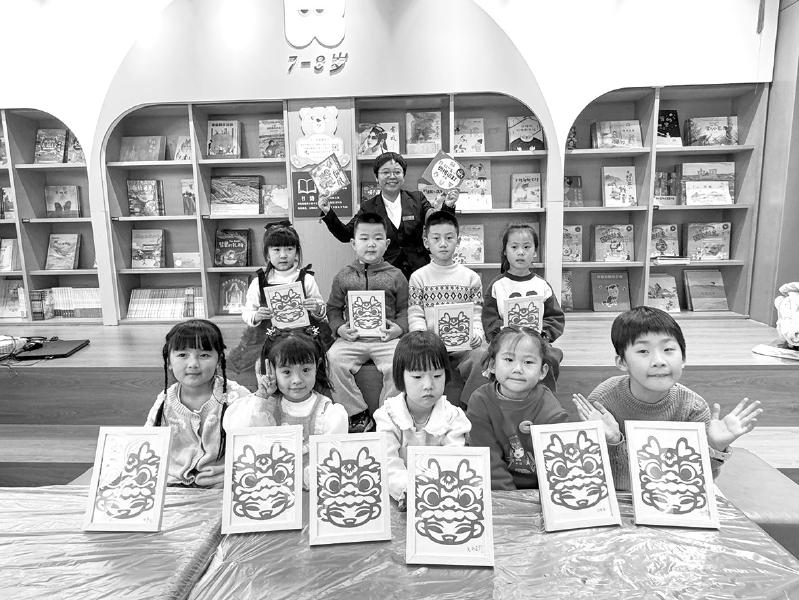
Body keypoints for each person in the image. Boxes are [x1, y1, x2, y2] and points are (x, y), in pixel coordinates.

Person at [572, 306, 763, 491]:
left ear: (684, 358)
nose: (659, 361)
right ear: (622, 362)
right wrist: (614, 441)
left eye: (669, 349)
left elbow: (696, 484)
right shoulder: (603, 401)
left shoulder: (693, 408)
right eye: (643, 351)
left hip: (673, 497)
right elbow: (594, 477)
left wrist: (714, 447)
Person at [224, 327, 347, 488]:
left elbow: (331, 461)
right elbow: (237, 430)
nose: (297, 380)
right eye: (286, 372)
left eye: (306, 370)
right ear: (271, 369)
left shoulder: (328, 413)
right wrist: (261, 396)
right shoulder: (264, 405)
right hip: (270, 489)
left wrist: (300, 480)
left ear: (317, 366)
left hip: (310, 490)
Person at [326, 211, 409, 433]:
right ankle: (356, 414)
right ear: (354, 243)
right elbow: (333, 309)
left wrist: (399, 329)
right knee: (332, 359)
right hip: (352, 339)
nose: (371, 244)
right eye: (364, 238)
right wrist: (340, 328)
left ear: (387, 244)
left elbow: (405, 308)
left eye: (377, 238)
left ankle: (388, 414)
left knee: (399, 362)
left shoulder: (396, 275)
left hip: (386, 339)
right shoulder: (343, 276)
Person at [317, 151, 458, 280]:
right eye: (385, 172)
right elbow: (345, 235)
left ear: (403, 176)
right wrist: (328, 212)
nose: (392, 176)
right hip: (383, 274)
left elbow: (438, 224)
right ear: (376, 177)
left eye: (397, 172)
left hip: (419, 272)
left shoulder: (417, 199)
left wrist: (447, 206)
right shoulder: (368, 207)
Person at [145, 319, 251, 488]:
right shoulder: (164, 401)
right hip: (173, 486)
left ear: (219, 360)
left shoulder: (237, 397)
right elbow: (148, 445)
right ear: (169, 362)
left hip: (225, 486)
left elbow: (255, 448)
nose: (193, 364)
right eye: (182, 355)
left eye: (204, 355)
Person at [373, 331, 471, 509]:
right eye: (417, 377)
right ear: (400, 377)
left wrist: (432, 493)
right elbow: (388, 464)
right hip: (399, 499)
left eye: (437, 376)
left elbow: (453, 461)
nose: (428, 385)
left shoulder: (453, 417)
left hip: (442, 499)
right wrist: (409, 491)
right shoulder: (388, 415)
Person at [466, 326, 570, 490]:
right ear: (492, 365)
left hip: (541, 489)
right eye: (509, 360)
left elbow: (560, 464)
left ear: (542, 371)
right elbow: (488, 461)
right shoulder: (480, 401)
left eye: (528, 362)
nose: (517, 369)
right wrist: (508, 497)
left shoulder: (549, 408)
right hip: (497, 489)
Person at [227, 220, 331, 374]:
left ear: (297, 252)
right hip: (268, 336)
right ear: (267, 254)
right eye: (276, 250)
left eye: (289, 249)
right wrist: (256, 316)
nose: (283, 255)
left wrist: (316, 308)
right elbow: (247, 312)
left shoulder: (307, 279)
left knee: (309, 362)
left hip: (303, 335)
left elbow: (321, 311)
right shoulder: (259, 282)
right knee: (266, 366)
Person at [408, 210, 486, 407]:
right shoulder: (418, 277)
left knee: (482, 356)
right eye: (436, 238)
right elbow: (416, 314)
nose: (443, 243)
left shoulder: (471, 278)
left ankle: (471, 407)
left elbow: (477, 314)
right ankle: (428, 409)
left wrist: (477, 333)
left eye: (449, 238)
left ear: (458, 241)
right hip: (430, 347)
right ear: (426, 242)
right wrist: (422, 338)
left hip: (463, 346)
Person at [480, 223, 565, 392]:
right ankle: (498, 395)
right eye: (514, 247)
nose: (520, 252)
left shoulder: (542, 285)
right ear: (505, 251)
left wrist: (544, 334)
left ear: (535, 252)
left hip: (536, 341)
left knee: (550, 358)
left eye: (526, 247)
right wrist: (502, 334)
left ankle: (544, 397)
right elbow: (489, 319)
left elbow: (555, 317)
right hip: (505, 342)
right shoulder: (497, 285)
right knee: (488, 359)